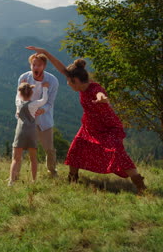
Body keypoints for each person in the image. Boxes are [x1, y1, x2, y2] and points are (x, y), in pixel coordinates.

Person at [26, 46, 147, 194]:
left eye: (70, 82)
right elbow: (60, 67)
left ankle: (140, 184)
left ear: (76, 80)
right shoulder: (79, 84)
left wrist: (102, 99)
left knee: (117, 153)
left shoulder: (95, 88)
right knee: (76, 149)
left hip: (108, 127)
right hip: (89, 126)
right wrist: (45, 52)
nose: (68, 84)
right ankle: (72, 178)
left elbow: (100, 94)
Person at [16, 53, 59, 177]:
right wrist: (19, 109)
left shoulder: (52, 80)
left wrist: (42, 110)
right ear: (30, 65)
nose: (36, 67)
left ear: (44, 66)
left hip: (44, 120)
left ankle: (52, 172)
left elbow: (50, 102)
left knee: (49, 149)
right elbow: (18, 98)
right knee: (19, 148)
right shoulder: (24, 77)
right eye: (33, 64)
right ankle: (15, 174)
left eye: (39, 65)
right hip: (26, 120)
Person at [9, 82, 50, 186]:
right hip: (31, 132)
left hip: (20, 132)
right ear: (31, 93)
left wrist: (21, 84)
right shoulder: (34, 104)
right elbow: (44, 100)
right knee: (33, 159)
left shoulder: (18, 103)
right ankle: (33, 181)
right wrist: (45, 88)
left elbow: (17, 96)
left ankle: (11, 181)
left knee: (16, 159)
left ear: (20, 93)